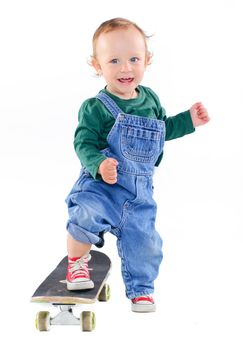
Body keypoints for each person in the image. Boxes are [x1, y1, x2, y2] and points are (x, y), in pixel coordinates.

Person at [65, 18, 210, 312]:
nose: (126, 68)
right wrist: (99, 163)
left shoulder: (150, 100)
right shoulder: (96, 107)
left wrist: (189, 121)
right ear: (97, 65)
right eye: (114, 60)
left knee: (146, 244)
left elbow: (162, 130)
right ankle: (77, 263)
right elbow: (83, 143)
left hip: (139, 192)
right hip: (102, 186)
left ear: (147, 60)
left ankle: (141, 290)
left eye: (134, 59)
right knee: (85, 216)